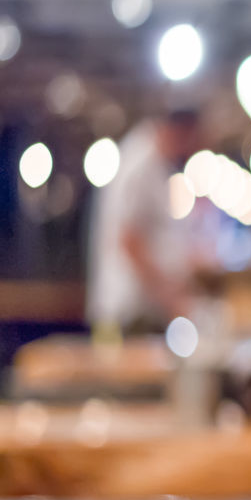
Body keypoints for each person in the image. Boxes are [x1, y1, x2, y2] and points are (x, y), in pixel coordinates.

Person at [86, 107, 203, 334]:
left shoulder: (153, 162)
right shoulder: (140, 162)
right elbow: (129, 242)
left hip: (140, 312)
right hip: (130, 315)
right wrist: (168, 295)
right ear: (183, 132)